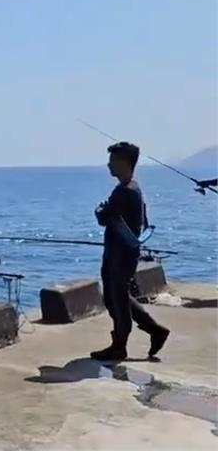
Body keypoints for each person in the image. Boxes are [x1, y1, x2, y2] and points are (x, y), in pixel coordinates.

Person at [91, 141, 170, 362]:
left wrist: (100, 209)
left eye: (113, 160)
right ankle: (155, 330)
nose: (109, 165)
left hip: (120, 254)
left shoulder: (125, 192)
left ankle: (119, 346)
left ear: (124, 163)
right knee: (116, 297)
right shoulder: (133, 188)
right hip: (121, 252)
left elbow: (103, 217)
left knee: (117, 300)